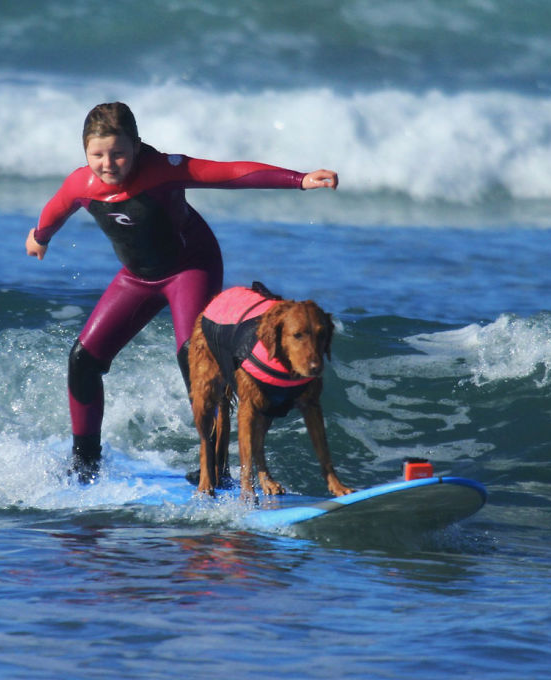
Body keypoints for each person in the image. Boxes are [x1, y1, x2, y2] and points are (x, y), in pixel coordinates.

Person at [26, 102, 338, 481]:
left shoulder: (162, 172)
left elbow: (228, 174)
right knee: (83, 360)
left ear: (137, 147)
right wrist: (40, 237)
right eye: (97, 154)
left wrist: (298, 179)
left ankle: (217, 466)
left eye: (119, 153)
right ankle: (85, 461)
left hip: (191, 267)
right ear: (85, 152)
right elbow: (57, 208)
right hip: (138, 277)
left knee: (198, 360)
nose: (108, 163)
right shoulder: (81, 184)